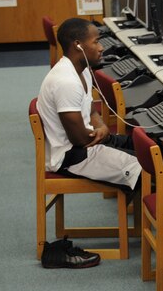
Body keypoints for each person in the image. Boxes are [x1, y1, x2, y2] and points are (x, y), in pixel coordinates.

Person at [37, 18, 141, 193]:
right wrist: (102, 134)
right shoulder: (66, 82)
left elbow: (91, 109)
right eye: (96, 42)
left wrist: (101, 126)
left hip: (87, 141)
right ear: (78, 45)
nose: (101, 48)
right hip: (71, 156)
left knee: (146, 149)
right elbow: (78, 139)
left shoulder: (82, 70)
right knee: (148, 169)